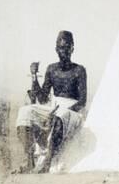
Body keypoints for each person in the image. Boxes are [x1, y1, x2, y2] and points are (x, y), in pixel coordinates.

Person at [15, 30, 87, 173]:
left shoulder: (79, 70)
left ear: (72, 48)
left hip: (72, 111)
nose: (64, 51)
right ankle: (30, 161)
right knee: (25, 112)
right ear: (56, 49)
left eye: (67, 47)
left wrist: (64, 111)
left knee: (60, 117)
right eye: (61, 48)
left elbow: (82, 101)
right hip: (54, 107)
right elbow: (42, 98)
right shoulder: (51, 69)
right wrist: (34, 76)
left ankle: (47, 162)